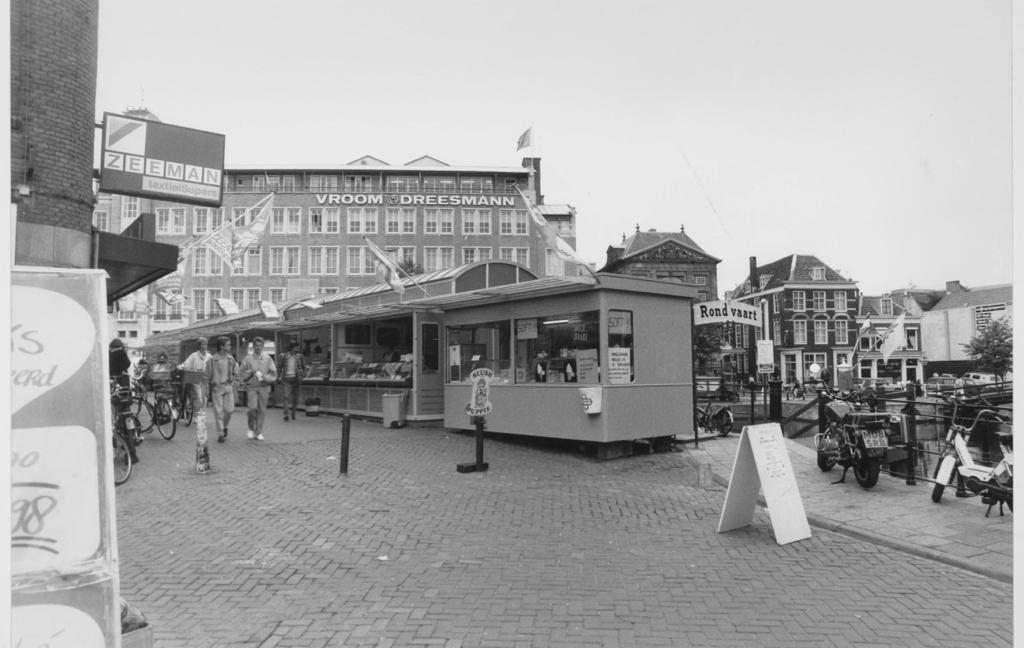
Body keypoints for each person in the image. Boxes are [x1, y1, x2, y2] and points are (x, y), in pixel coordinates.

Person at [238, 336, 276, 441]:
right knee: (252, 408)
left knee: (262, 410)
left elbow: (273, 373)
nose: (258, 347)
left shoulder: (268, 358)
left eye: (260, 345)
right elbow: (240, 373)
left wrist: (266, 378)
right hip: (252, 387)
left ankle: (258, 432)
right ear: (253, 346)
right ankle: (251, 428)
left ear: (263, 346)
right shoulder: (248, 359)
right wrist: (250, 373)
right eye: (256, 345)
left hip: (264, 387)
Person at [206, 337, 238, 443]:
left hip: (228, 386)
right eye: (228, 345)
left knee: (230, 410)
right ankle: (220, 434)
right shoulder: (212, 359)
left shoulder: (230, 358)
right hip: (217, 388)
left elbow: (235, 370)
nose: (230, 346)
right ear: (222, 346)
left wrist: (234, 379)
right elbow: (207, 375)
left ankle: (224, 426)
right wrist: (208, 387)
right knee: (218, 412)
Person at [276, 342, 307, 422]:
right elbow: (279, 367)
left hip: (296, 379)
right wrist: (277, 377)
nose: (297, 348)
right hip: (287, 379)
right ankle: (286, 414)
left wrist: (303, 375)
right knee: (286, 396)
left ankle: (293, 413)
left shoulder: (300, 356)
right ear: (291, 348)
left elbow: (304, 366)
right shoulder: (283, 356)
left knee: (295, 398)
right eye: (296, 347)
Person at [180, 337, 212, 408]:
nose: (204, 346)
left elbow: (212, 367)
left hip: (206, 380)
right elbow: (187, 364)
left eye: (206, 344)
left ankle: (201, 415)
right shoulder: (194, 356)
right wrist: (183, 367)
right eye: (203, 345)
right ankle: (197, 414)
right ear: (199, 346)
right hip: (196, 379)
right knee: (199, 397)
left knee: (205, 399)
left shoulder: (209, 356)